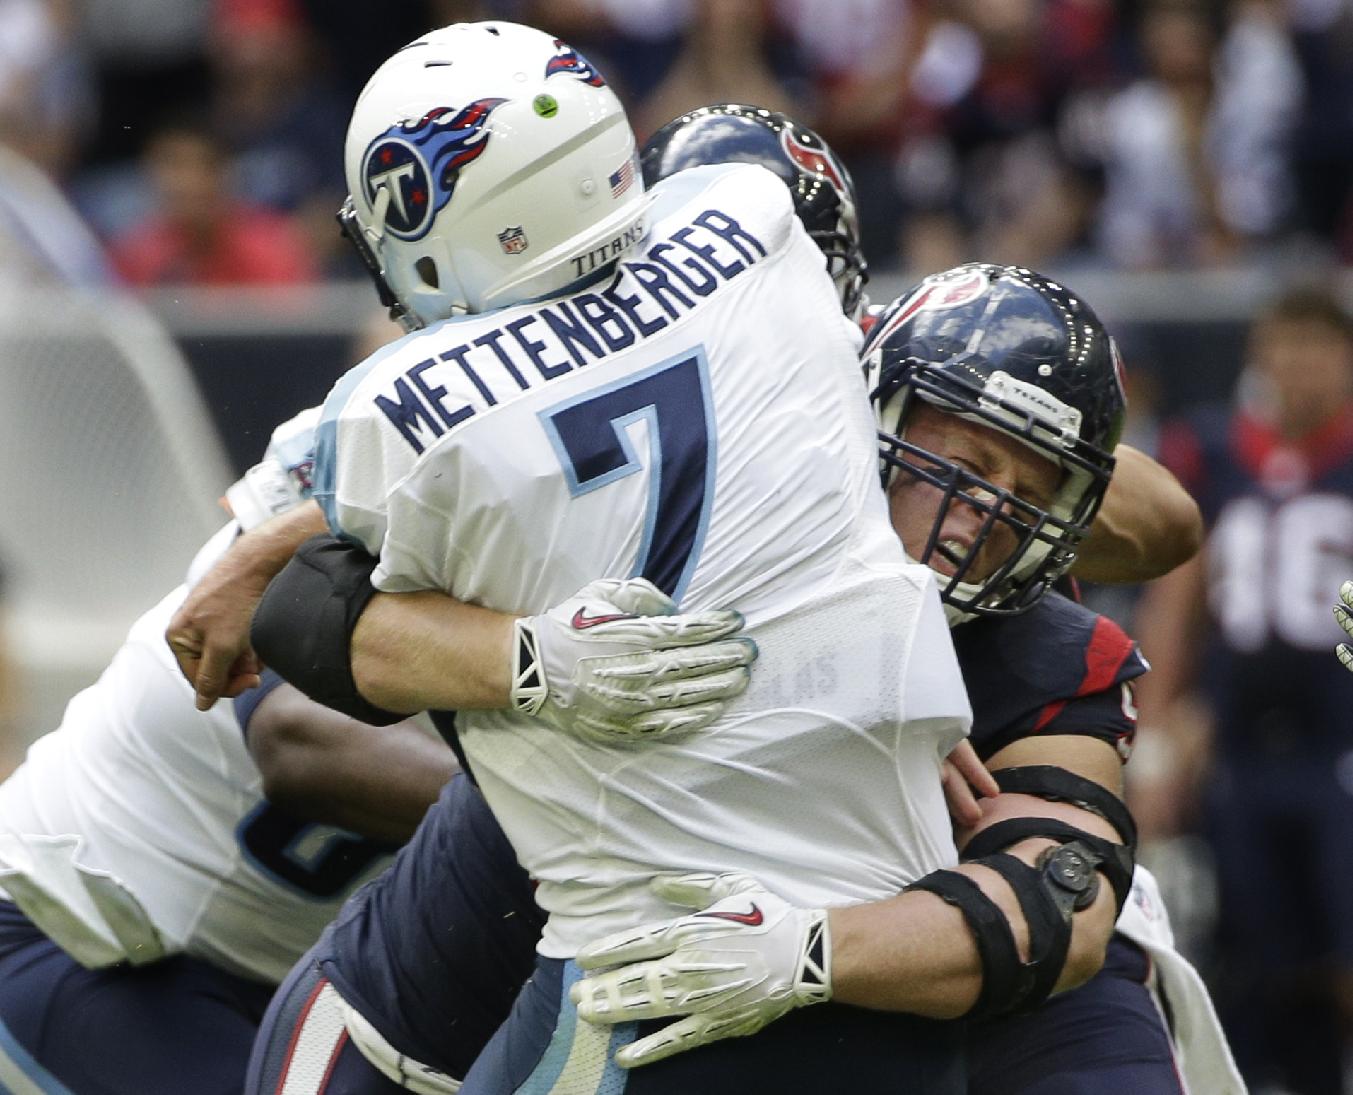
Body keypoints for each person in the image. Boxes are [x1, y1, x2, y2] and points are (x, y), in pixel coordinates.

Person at [232, 112, 1202, 1095]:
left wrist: (822, 934)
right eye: (961, 462)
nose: (982, 509)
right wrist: (530, 666)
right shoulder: (636, 494)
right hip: (448, 1000)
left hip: (844, 1002)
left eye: (1026, 491)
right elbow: (308, 609)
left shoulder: (1035, 620)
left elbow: (1163, 527)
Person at [180, 22, 981, 1091]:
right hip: (892, 945)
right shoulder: (753, 213)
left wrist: (526, 660)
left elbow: (306, 615)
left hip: (645, 975)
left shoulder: (400, 412)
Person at [0, 408, 743, 1095]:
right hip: (75, 940)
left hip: (271, 962)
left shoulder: (525, 562)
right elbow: (299, 745)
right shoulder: (302, 576)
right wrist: (544, 799)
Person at [1134, 283, 1353, 1095]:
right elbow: (1177, 594)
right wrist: (1158, 732)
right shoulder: (1217, 451)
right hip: (1240, 736)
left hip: (1340, 731)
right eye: (1282, 348)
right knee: (1257, 950)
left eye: (1315, 348)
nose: (1296, 368)